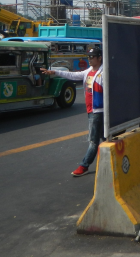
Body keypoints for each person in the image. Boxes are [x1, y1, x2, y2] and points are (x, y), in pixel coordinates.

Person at [42, 47, 104, 176]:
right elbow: (72, 75)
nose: (90, 59)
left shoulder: (103, 73)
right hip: (91, 110)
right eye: (89, 57)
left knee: (93, 141)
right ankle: (106, 159)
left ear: (100, 58)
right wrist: (53, 72)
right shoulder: (89, 71)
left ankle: (84, 165)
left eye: (92, 57)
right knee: (103, 137)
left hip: (98, 111)